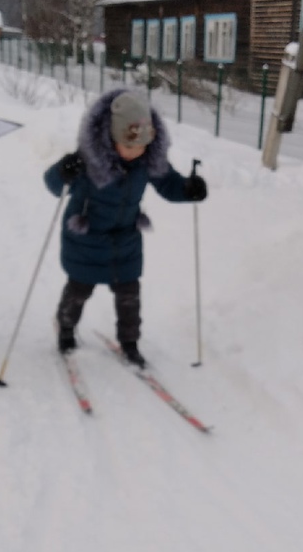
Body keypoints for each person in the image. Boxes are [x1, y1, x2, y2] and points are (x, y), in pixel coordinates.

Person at [43, 89, 207, 368]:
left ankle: (130, 342)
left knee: (129, 295)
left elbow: (169, 184)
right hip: (86, 241)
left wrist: (188, 189)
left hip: (125, 241)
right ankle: (66, 328)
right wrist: (63, 171)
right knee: (79, 290)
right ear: (111, 137)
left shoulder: (147, 161)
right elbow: (53, 185)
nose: (135, 153)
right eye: (128, 146)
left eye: (141, 146)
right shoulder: (87, 161)